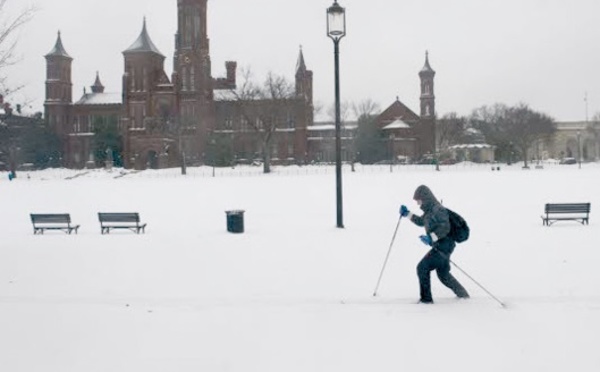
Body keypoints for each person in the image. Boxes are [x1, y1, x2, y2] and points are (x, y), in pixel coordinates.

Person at [400, 185, 469, 304]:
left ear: (425, 198)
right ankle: (463, 295)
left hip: (444, 246)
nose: (417, 203)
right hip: (442, 246)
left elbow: (445, 227)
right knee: (443, 274)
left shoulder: (438, 209)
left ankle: (426, 300)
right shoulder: (429, 210)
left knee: (422, 268)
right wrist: (407, 214)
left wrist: (430, 237)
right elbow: (421, 222)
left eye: (418, 200)